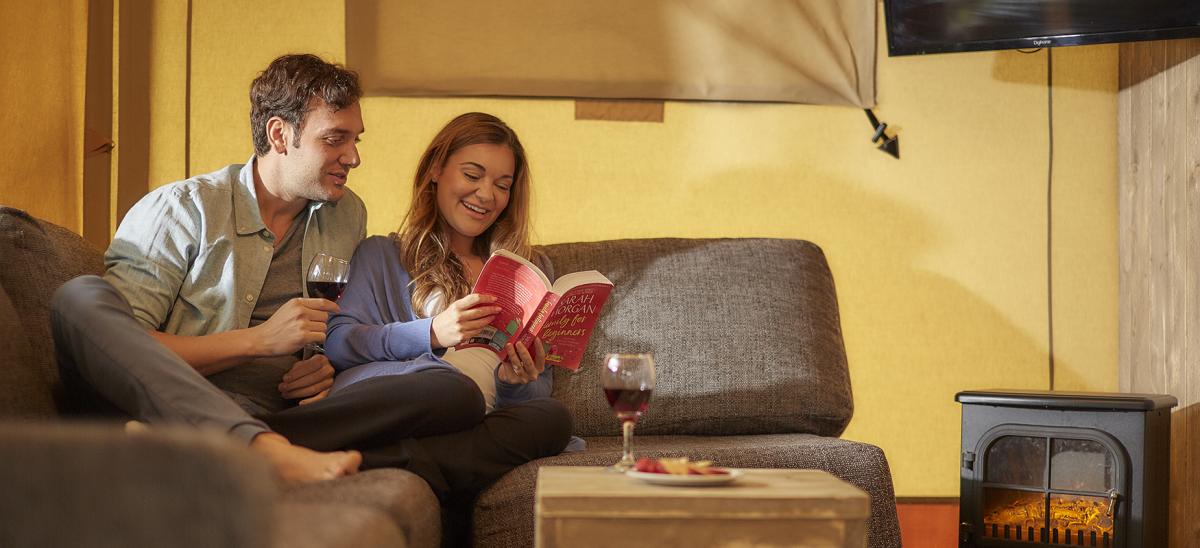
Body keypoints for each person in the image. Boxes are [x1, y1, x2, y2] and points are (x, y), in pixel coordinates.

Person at [52, 56, 569, 496]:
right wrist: (257, 342)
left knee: (495, 405)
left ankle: (262, 450)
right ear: (280, 135)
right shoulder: (183, 211)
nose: (355, 156)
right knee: (79, 297)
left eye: (355, 139)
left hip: (288, 416)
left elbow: (335, 338)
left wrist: (316, 364)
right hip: (174, 406)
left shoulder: (344, 215)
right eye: (335, 139)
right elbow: (118, 352)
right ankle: (250, 448)